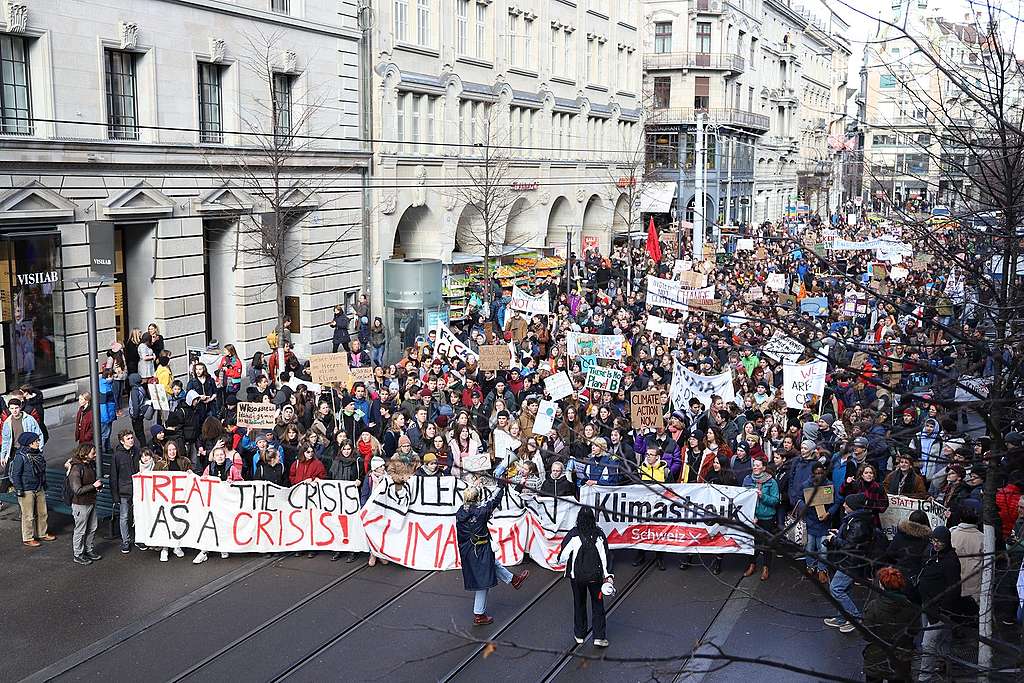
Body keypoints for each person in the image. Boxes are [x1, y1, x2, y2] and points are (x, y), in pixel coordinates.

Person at [455, 484, 529, 625]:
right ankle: (479, 614)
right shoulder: (480, 512)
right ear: (477, 498)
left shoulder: (460, 511)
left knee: (492, 564)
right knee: (483, 582)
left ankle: (513, 580)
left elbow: (484, 504)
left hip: (468, 550)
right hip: (480, 549)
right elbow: (493, 501)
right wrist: (501, 488)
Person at [558, 506, 613, 647]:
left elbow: (562, 556)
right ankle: (599, 637)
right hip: (595, 578)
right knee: (598, 604)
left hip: (577, 578)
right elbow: (605, 557)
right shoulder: (599, 535)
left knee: (579, 603)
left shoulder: (573, 534)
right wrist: (608, 576)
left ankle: (580, 635)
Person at [823, 493, 875, 633]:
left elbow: (851, 545)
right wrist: (838, 533)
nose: (844, 505)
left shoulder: (858, 523)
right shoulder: (854, 519)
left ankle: (855, 618)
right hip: (847, 560)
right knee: (845, 589)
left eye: (846, 503)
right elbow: (850, 537)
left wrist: (833, 540)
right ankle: (841, 618)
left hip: (850, 562)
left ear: (853, 506)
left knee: (836, 589)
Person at [916, 526, 962, 683]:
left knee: (927, 643)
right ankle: (946, 668)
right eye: (933, 540)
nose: (935, 544)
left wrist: (942, 610)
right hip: (928, 605)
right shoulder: (932, 553)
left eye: (939, 542)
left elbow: (953, 589)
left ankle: (924, 677)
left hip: (938, 610)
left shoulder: (950, 562)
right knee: (943, 641)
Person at [860, 567, 918, 683]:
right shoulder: (910, 607)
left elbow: (866, 635)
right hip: (901, 657)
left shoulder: (873, 607)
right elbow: (914, 630)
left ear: (882, 585)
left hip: (876, 658)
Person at [10, 432, 55, 547]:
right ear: (29, 443)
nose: (38, 443)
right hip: (27, 489)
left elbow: (41, 472)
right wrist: (19, 489)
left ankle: (42, 533)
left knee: (42, 512)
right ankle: (28, 538)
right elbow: (16, 474)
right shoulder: (21, 456)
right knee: (28, 515)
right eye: (36, 441)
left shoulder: (37, 454)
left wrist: (43, 483)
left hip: (38, 487)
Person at [742, 457, 780, 581]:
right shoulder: (747, 479)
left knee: (766, 543)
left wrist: (762, 496)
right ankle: (752, 564)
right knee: (752, 542)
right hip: (753, 517)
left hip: (767, 517)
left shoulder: (771, 482)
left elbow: (775, 500)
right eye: (754, 465)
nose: (755, 467)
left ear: (763, 467)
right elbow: (742, 497)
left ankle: (766, 567)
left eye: (758, 465)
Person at [68, 443, 103, 565]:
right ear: (85, 454)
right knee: (81, 530)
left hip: (90, 501)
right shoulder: (77, 468)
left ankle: (88, 550)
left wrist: (95, 487)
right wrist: (93, 486)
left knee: (92, 527)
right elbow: (77, 490)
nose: (95, 455)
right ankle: (78, 554)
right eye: (93, 453)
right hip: (81, 504)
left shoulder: (88, 465)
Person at [110, 429, 144, 553]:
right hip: (124, 490)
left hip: (137, 488)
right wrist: (115, 496)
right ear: (122, 441)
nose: (131, 440)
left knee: (138, 515)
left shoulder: (137, 451)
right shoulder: (117, 456)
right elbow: (114, 476)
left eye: (131, 438)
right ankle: (126, 541)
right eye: (128, 438)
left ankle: (139, 539)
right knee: (124, 517)